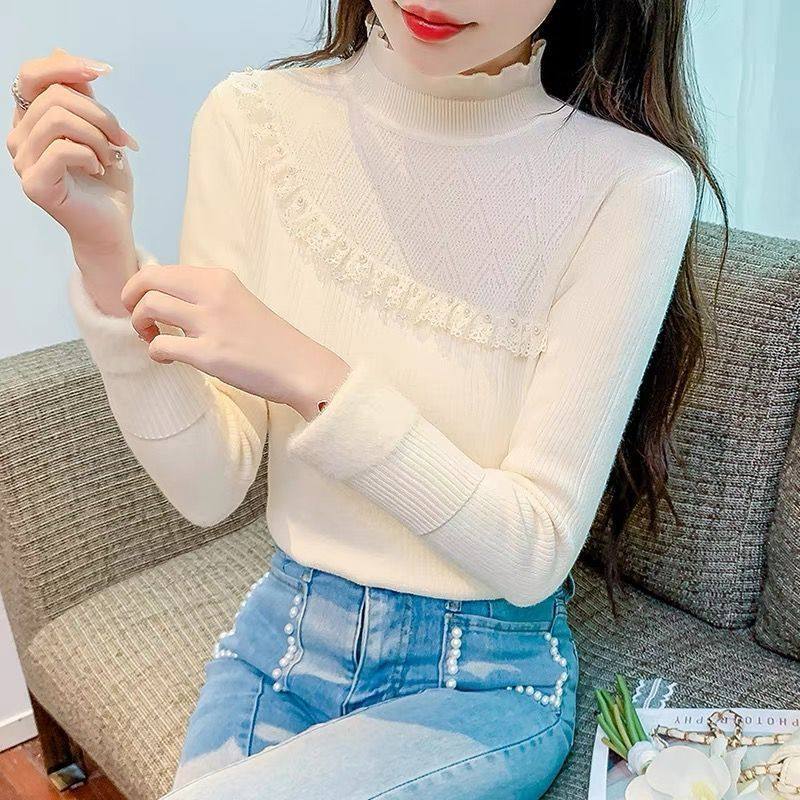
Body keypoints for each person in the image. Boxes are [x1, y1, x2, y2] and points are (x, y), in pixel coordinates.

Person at [7, 1, 725, 797]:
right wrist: (103, 249)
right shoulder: (253, 121)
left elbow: (533, 553)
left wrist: (313, 375)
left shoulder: (631, 186)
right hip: (281, 640)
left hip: (482, 680)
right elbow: (207, 489)